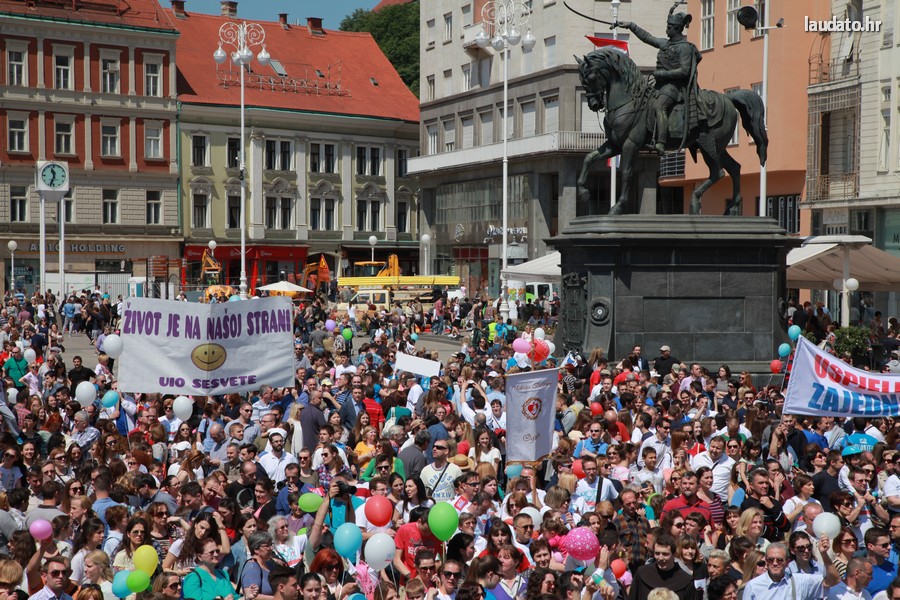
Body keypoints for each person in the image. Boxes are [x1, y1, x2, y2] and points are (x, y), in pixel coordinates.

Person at [741, 539, 839, 600]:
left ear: (787, 562)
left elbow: (833, 580)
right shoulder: (753, 586)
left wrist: (824, 554)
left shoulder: (800, 581)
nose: (775, 563)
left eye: (779, 560)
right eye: (771, 560)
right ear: (766, 561)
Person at [628, 534, 699, 600]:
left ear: (674, 555)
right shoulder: (642, 573)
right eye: (657, 553)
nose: (660, 558)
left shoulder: (685, 581)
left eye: (665, 554)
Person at [183, 538, 255, 600]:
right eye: (211, 552)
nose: (216, 554)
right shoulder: (193, 578)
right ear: (199, 557)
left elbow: (235, 597)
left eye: (217, 551)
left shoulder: (223, 574)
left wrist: (247, 596)